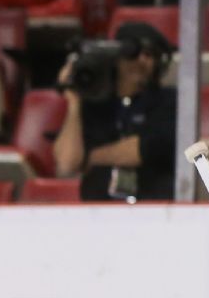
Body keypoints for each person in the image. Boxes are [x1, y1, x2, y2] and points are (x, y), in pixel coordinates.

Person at [53, 21, 177, 201]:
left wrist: (89, 158)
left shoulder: (169, 101)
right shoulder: (94, 104)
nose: (141, 60)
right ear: (116, 56)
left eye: (150, 54)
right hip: (96, 213)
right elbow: (67, 163)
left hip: (153, 209)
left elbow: (141, 150)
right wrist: (74, 102)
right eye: (132, 53)